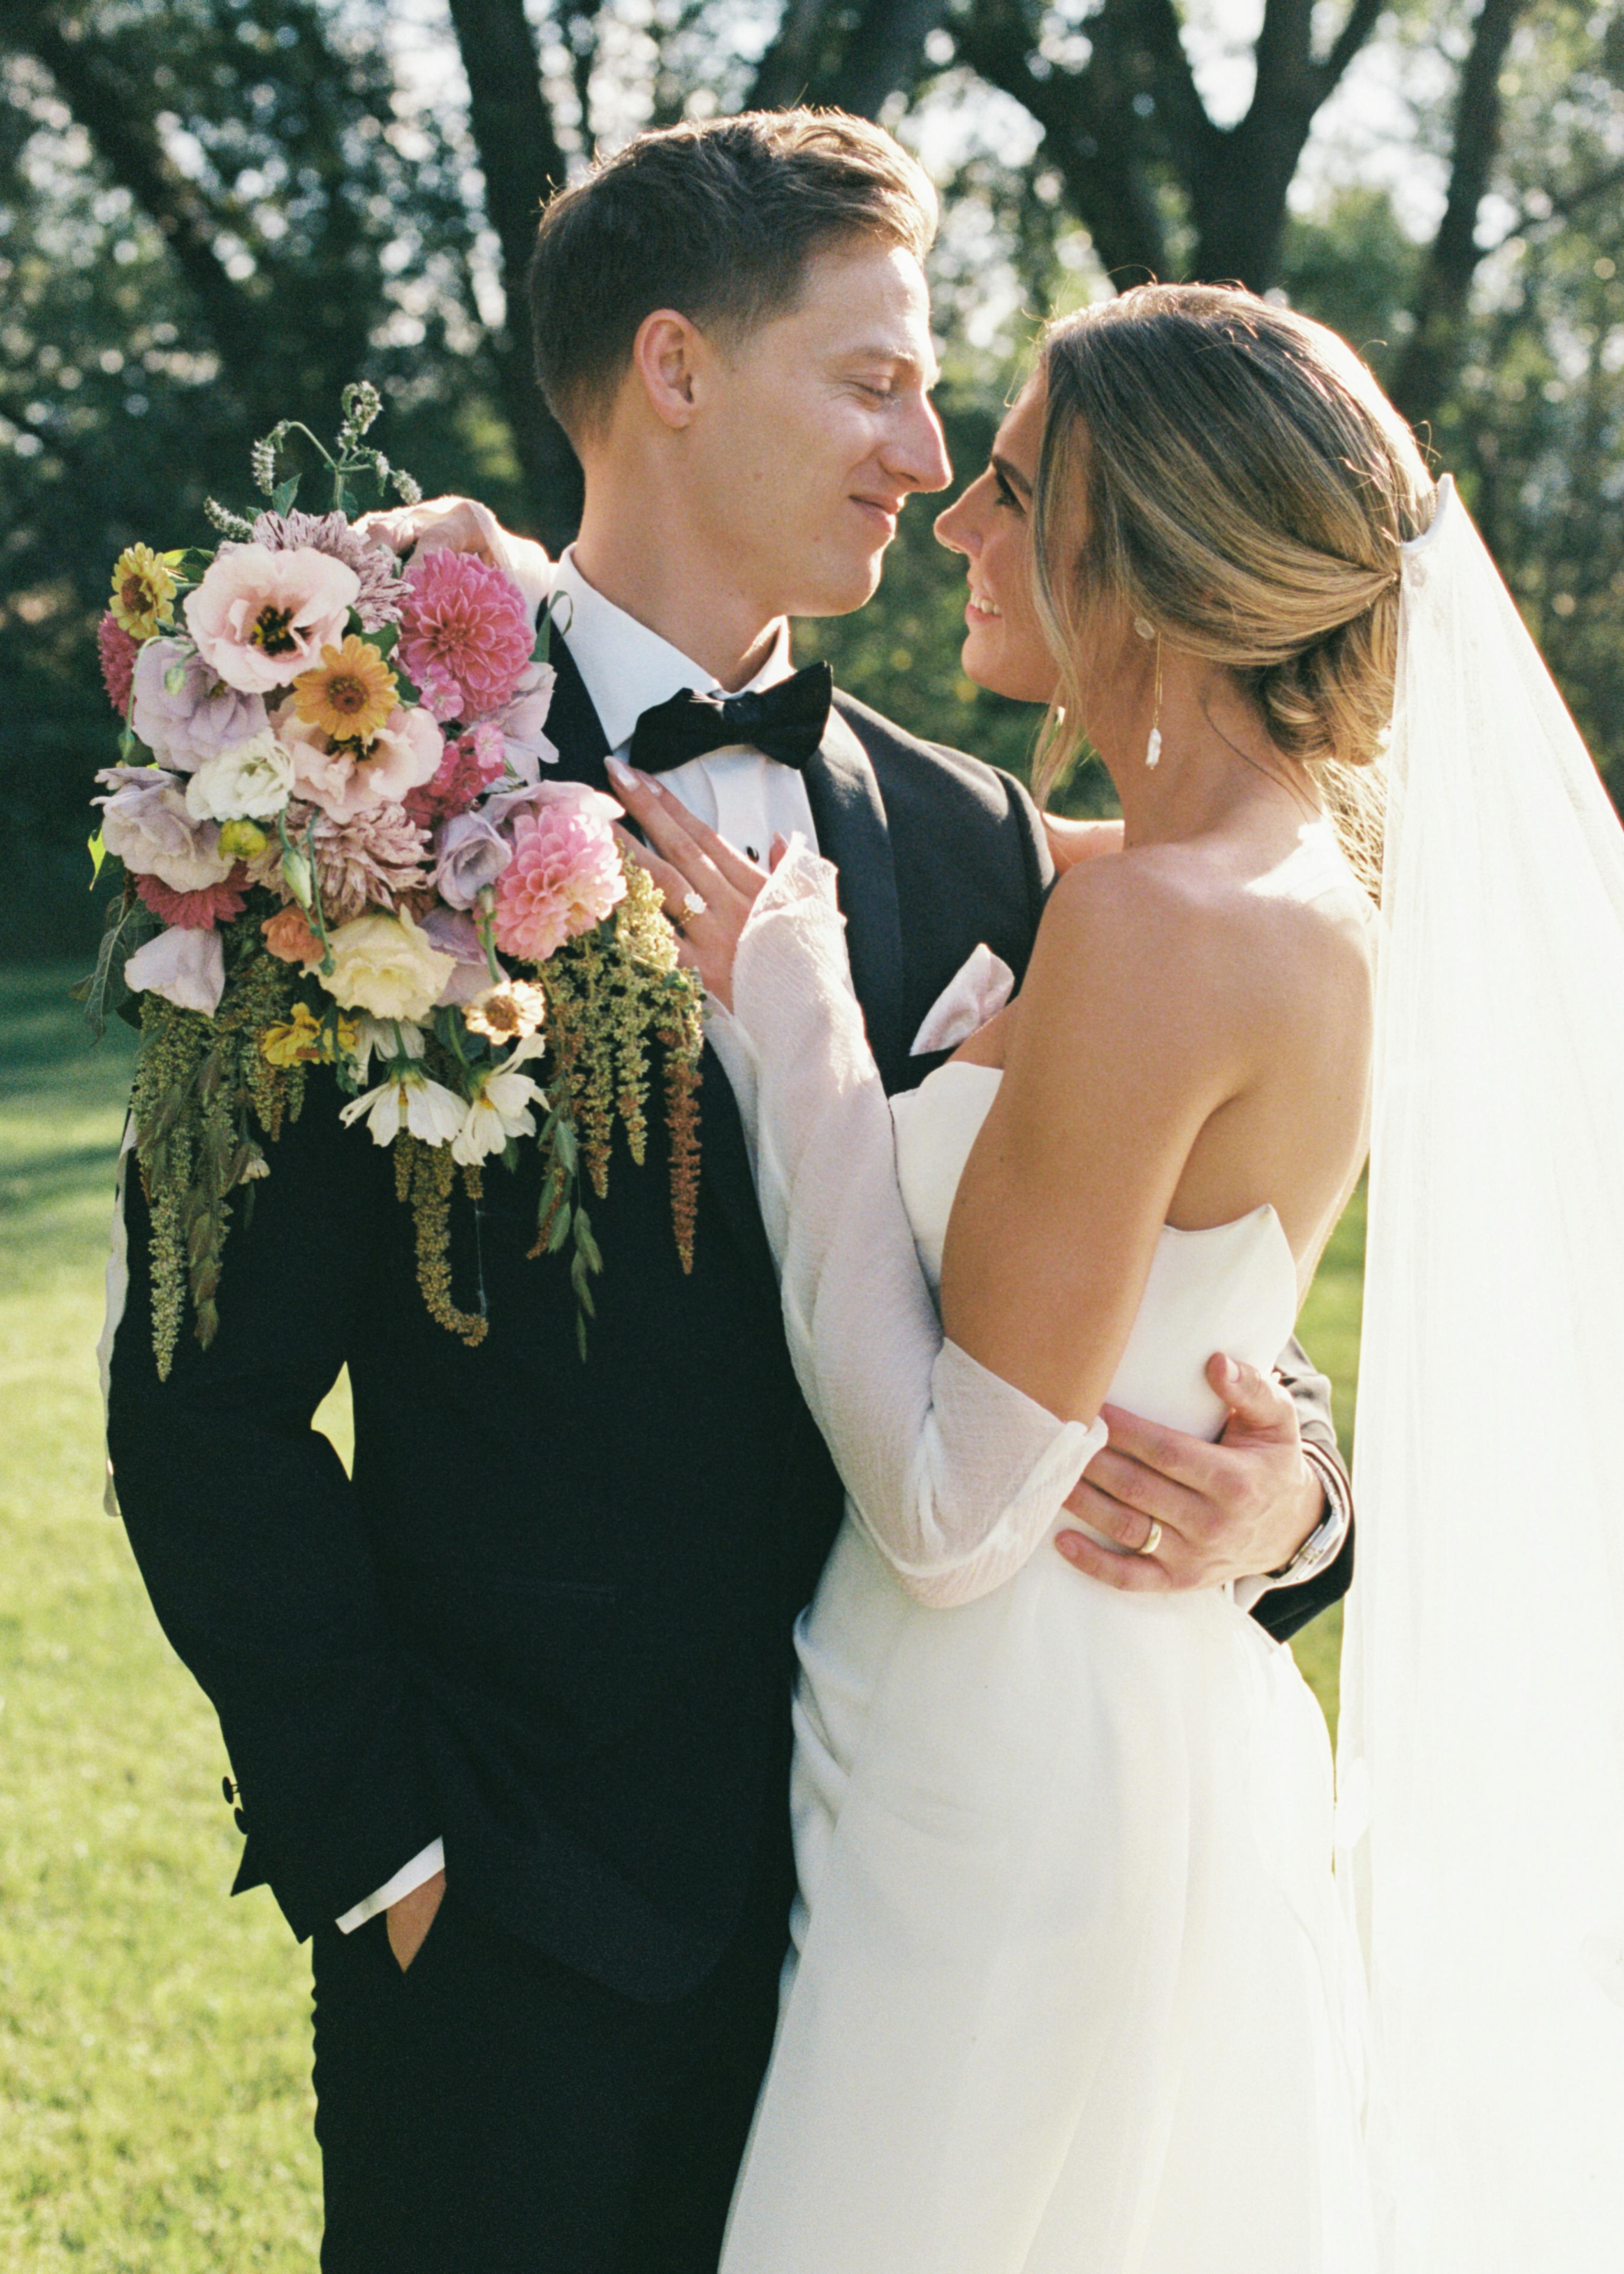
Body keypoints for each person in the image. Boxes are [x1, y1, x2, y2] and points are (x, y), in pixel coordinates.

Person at [105, 120, 1350, 2273]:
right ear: (675, 368)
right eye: (875, 382)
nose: (926, 458)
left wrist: (1299, 1499)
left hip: (931, 1915)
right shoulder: (337, 781)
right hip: (523, 1946)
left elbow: (1136, 1275)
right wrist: (387, 1850)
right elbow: (199, 1394)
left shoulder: (984, 842)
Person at [612, 281, 1413, 2269]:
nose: (956, 522)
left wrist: (802, 1031)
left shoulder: (1163, 928)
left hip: (1001, 1755)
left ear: (1144, 551)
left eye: (1012, 484)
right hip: (1119, 1721)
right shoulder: (1271, 886)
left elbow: (958, 1511)